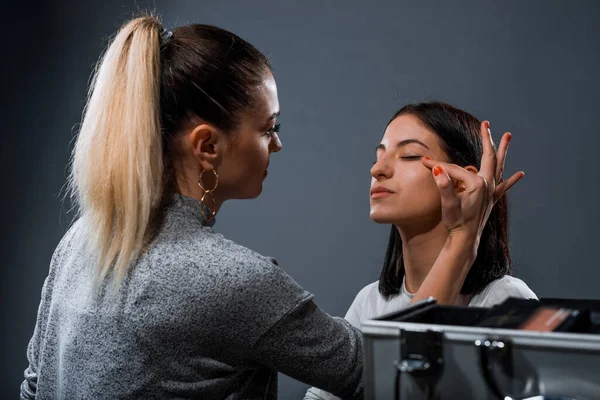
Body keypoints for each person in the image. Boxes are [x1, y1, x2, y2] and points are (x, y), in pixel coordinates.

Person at [20, 13, 521, 399]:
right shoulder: (233, 281)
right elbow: (385, 376)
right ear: (208, 147)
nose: (277, 145)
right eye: (268, 129)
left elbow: (35, 385)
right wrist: (462, 239)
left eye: (408, 155)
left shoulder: (81, 238)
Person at [304, 101, 536, 400]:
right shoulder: (370, 302)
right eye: (379, 155)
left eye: (409, 155)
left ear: (462, 183)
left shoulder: (503, 302)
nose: (377, 169)